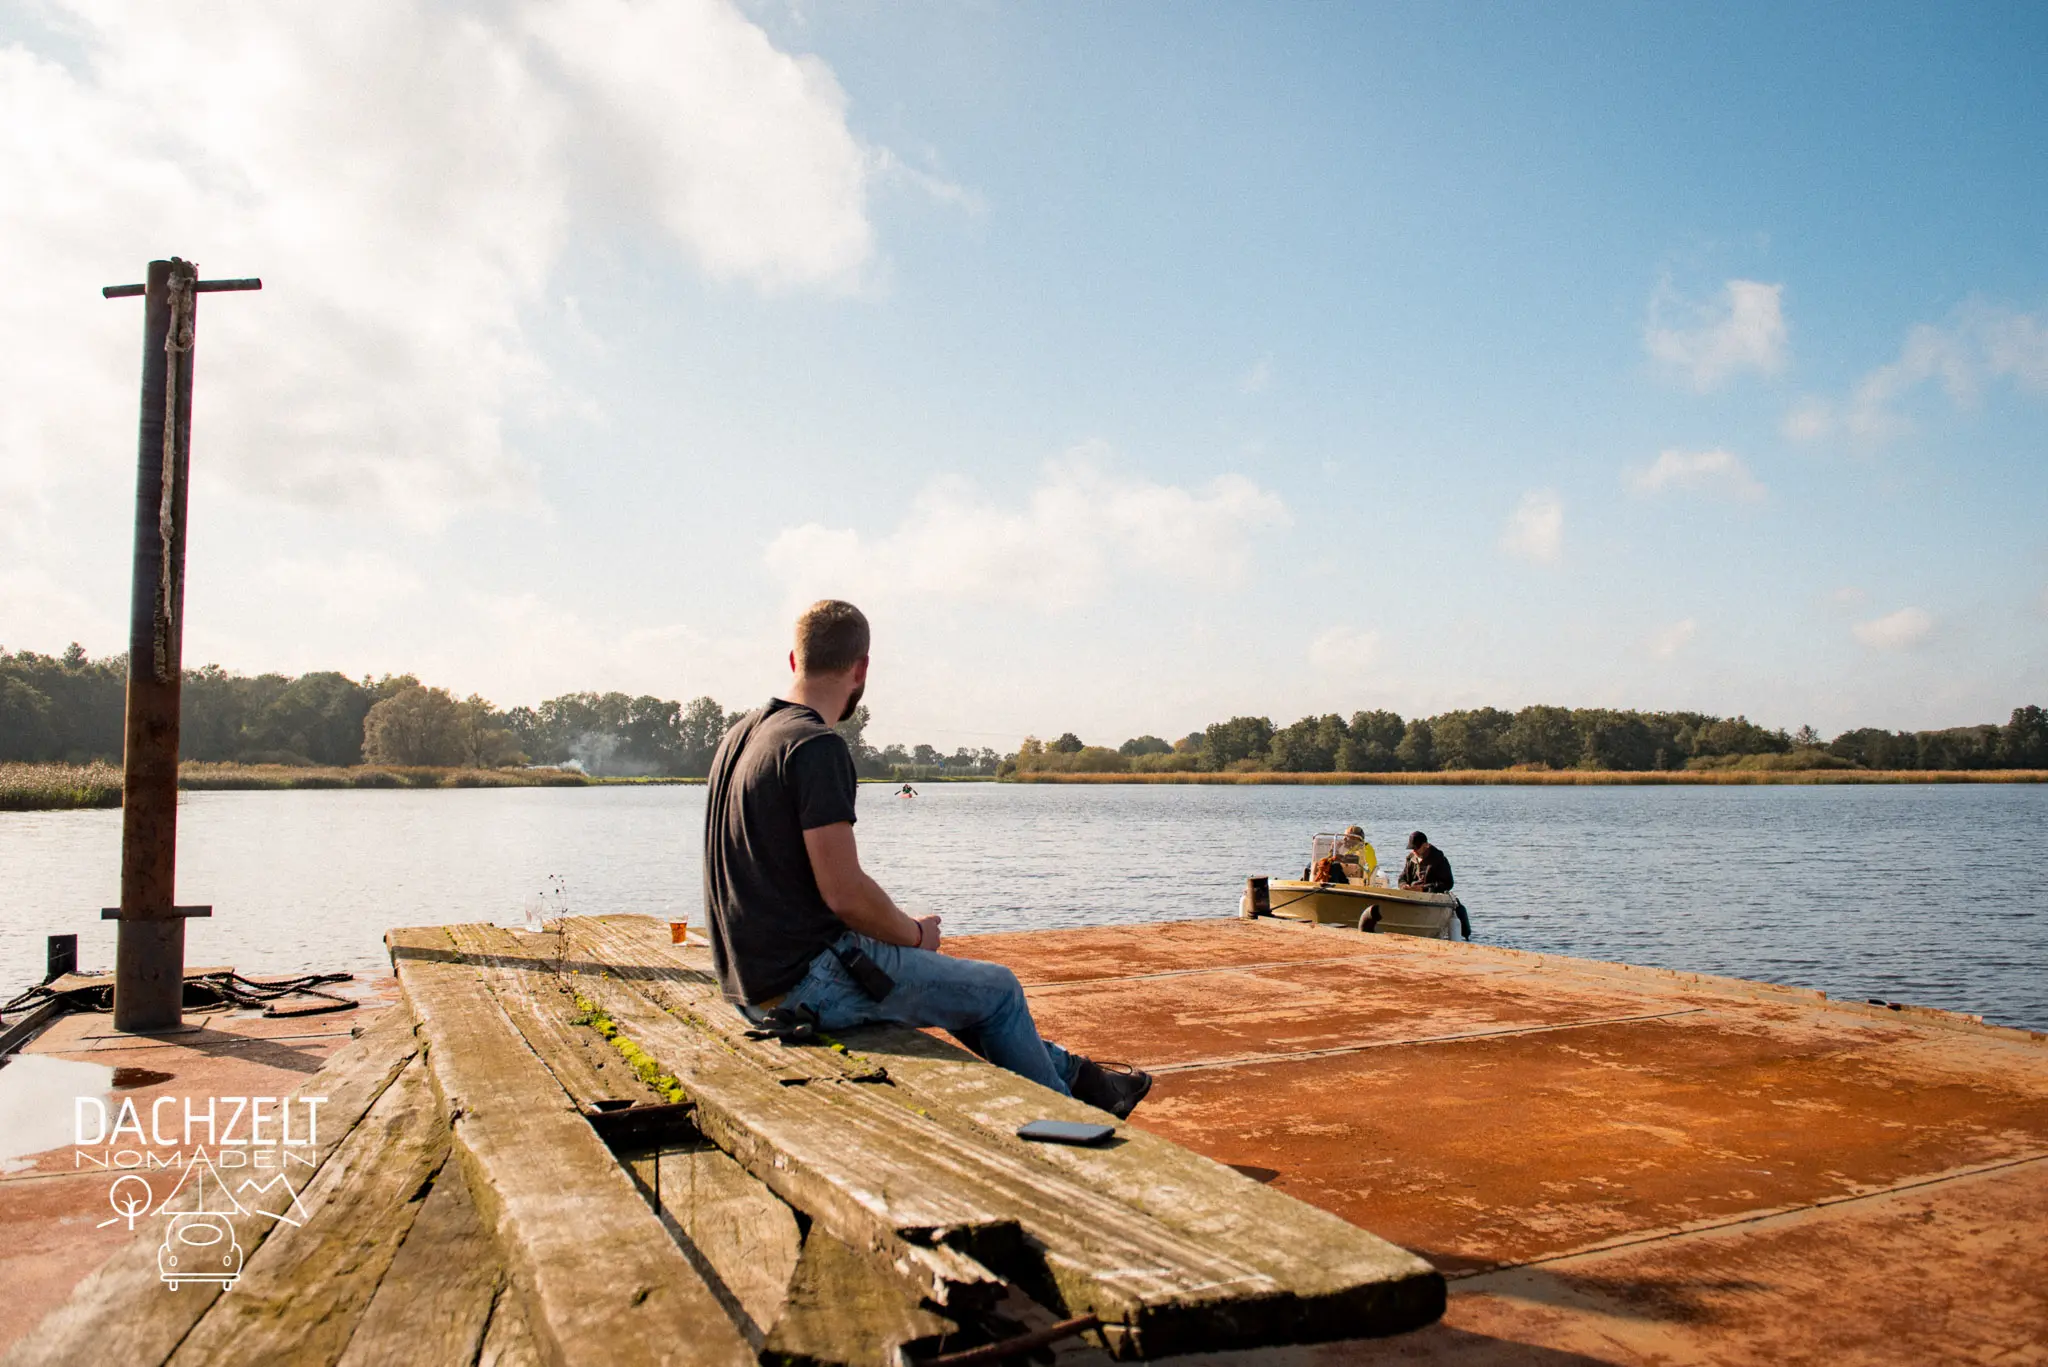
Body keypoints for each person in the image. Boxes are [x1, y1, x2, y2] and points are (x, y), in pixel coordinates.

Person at [703, 600, 1152, 1117]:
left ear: (793, 660)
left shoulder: (740, 737)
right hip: (804, 987)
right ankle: (1075, 1132)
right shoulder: (814, 746)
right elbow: (844, 893)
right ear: (861, 668)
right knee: (999, 990)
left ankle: (1083, 1079)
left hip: (746, 986)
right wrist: (915, 935)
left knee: (963, 990)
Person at [1399, 831, 1470, 939]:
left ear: (1425, 845)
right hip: (1411, 896)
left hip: (1430, 897)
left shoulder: (1439, 859)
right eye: (1412, 848)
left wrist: (1423, 889)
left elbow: (1448, 883)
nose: (1414, 851)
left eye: (1417, 848)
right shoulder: (1410, 858)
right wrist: (1404, 885)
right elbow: (1402, 878)